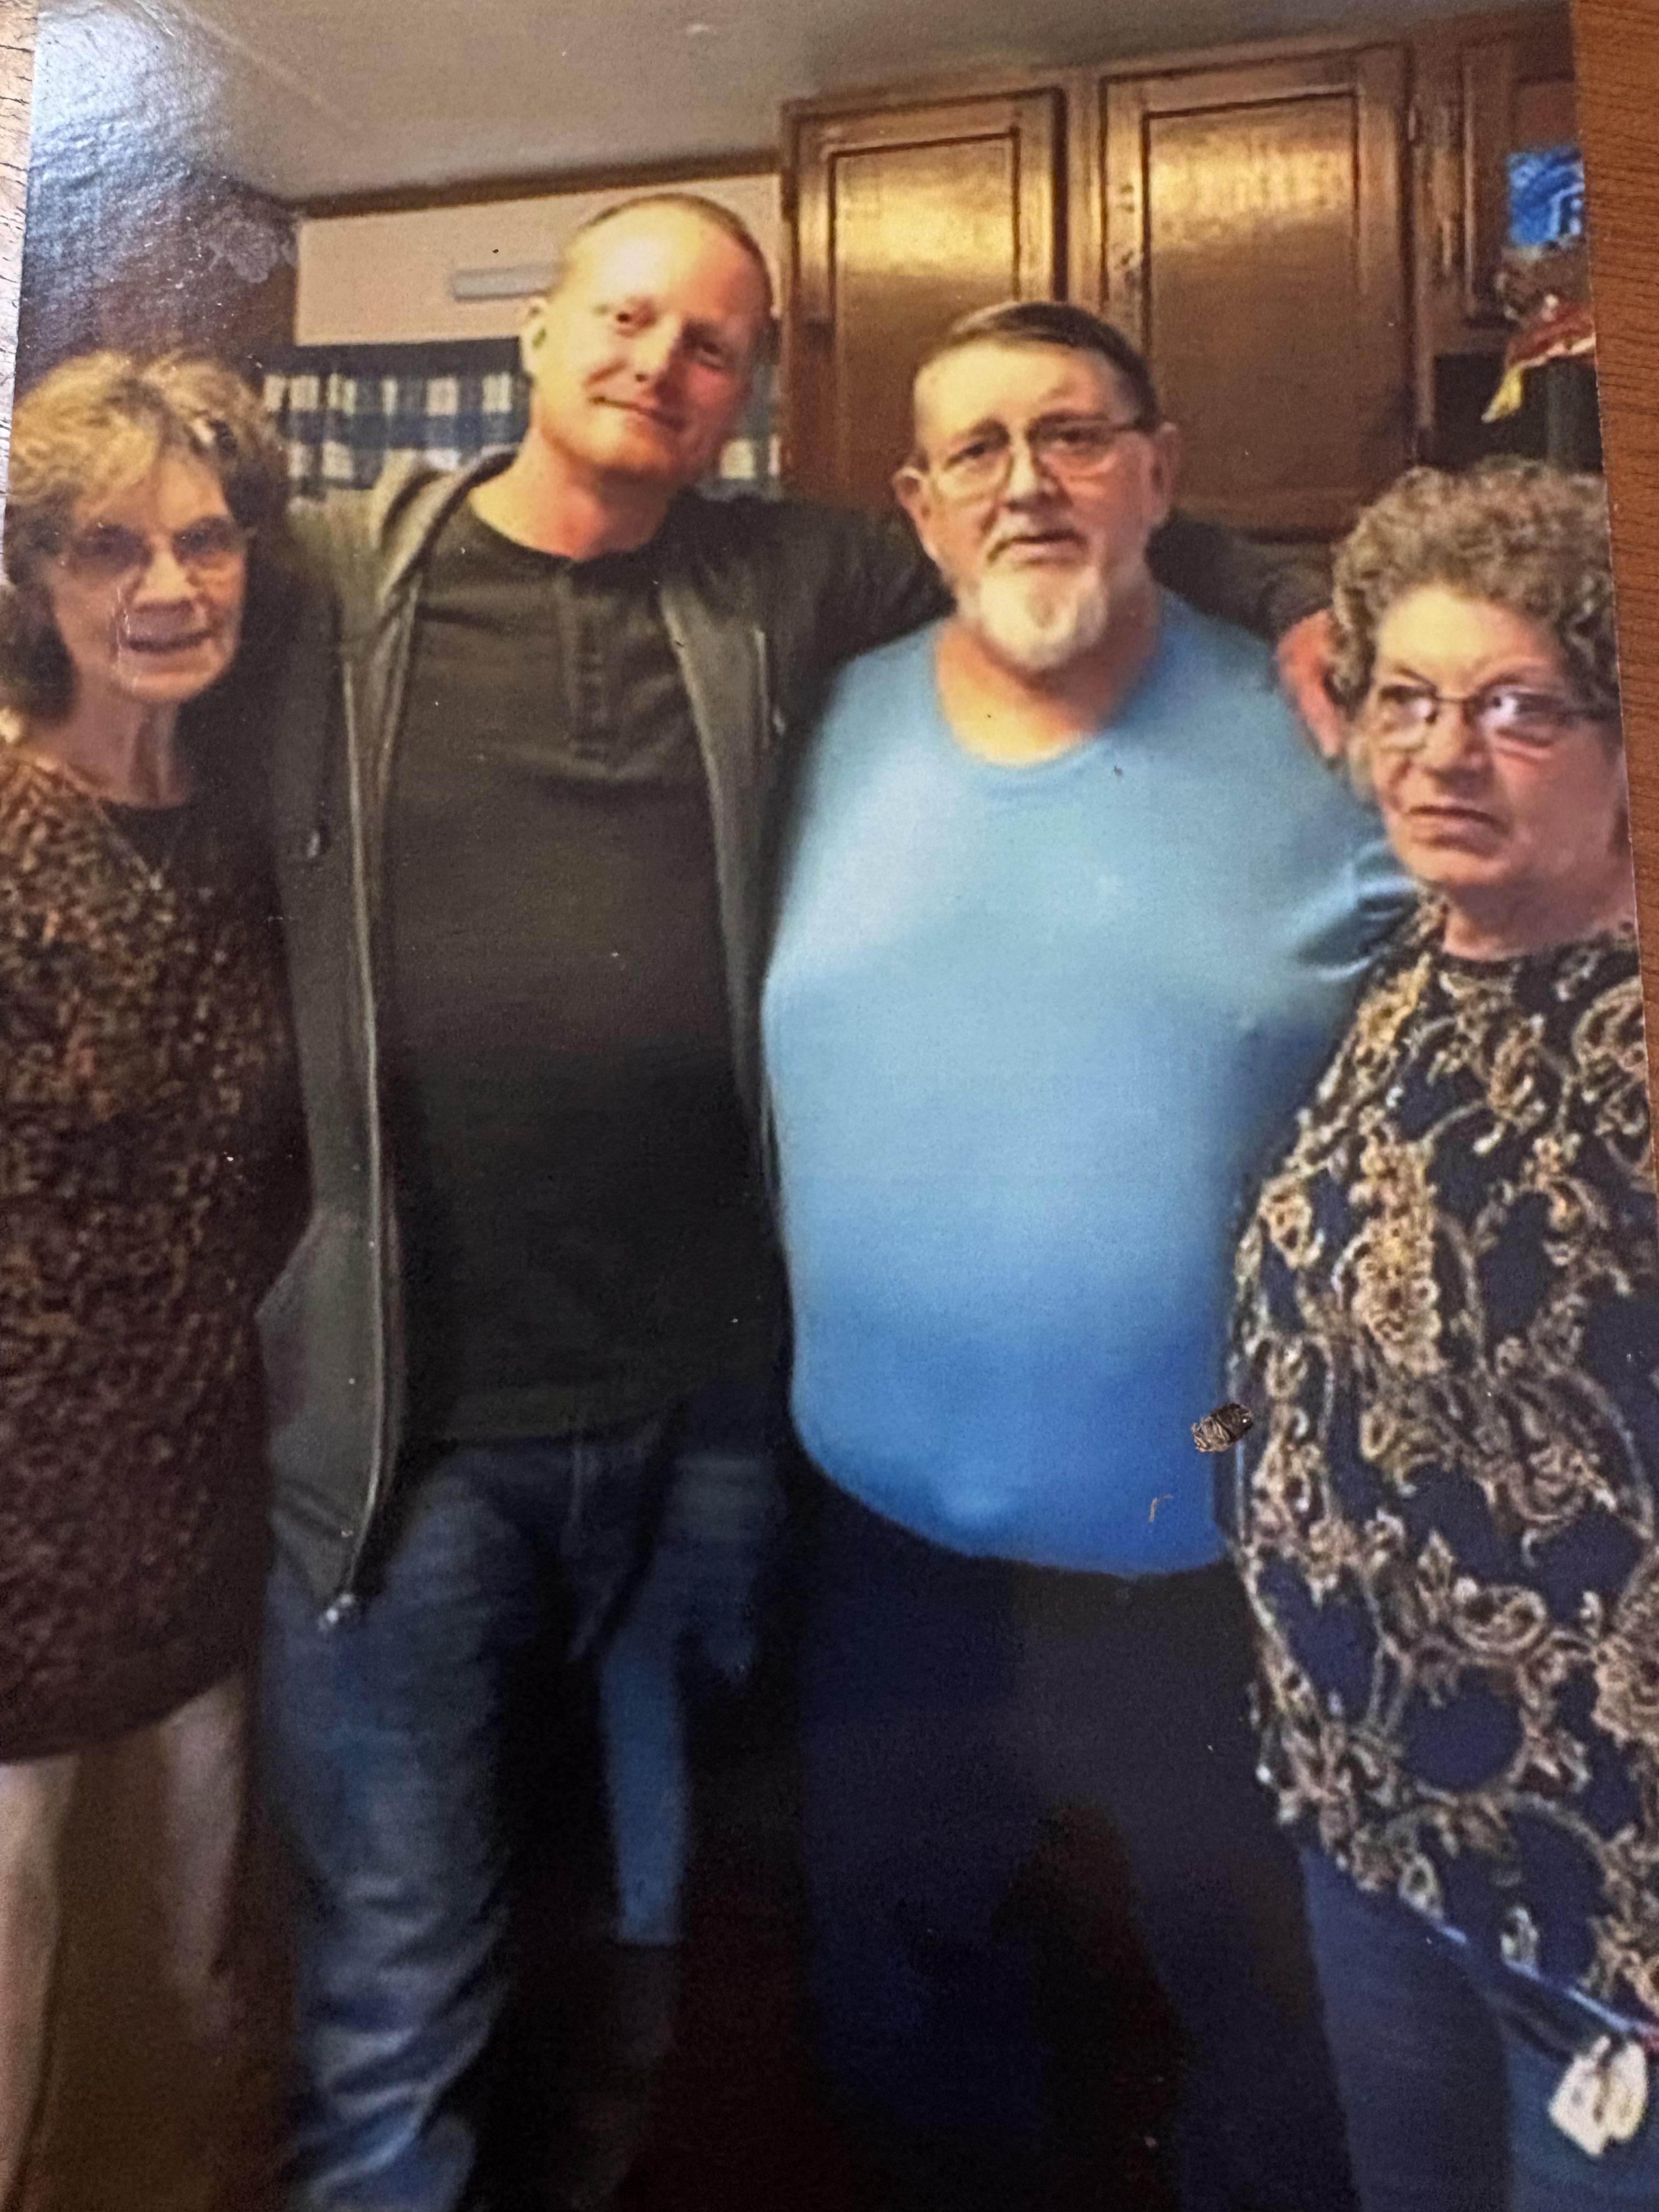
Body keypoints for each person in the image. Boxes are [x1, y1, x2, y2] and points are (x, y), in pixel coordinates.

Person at [254, 194, 1339, 2212]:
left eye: (711, 346)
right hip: (624, 1492)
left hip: (985, 1507)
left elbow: (1092, 522)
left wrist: (1289, 595)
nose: (660, 364)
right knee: (547, 2002)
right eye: (626, 317)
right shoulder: (431, 600)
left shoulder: (1300, 722)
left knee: (1192, 2036)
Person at [759, 297, 1410, 2212]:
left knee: (1267, 2059)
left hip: (1219, 1573)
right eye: (977, 450)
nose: (1026, 482)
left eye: (1074, 435)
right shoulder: (812, 731)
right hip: (883, 1563)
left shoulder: (1339, 738)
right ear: (919, 504)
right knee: (910, 2040)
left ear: (1162, 472)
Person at [1227, 459, 1659, 2211]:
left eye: (1514, 709)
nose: (1440, 753)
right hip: (1379, 1833)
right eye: (1405, 699)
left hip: (1606, 1916)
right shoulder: (1416, 957)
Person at [0, 352, 300, 2209]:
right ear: (35, 576)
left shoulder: (260, 832)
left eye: (204, 541)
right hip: (10, 1534)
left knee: (178, 1998)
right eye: (112, 549)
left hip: (197, 1510)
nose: (167, 589)